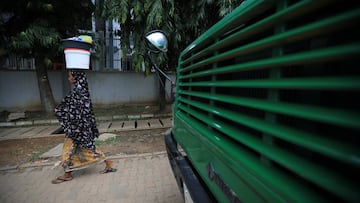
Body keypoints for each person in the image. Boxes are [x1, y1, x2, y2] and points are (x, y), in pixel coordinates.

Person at [52, 70, 116, 184]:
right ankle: (108, 163)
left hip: (77, 128)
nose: (68, 78)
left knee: (68, 150)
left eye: (70, 76)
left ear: (76, 77)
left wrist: (59, 110)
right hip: (81, 127)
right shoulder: (82, 89)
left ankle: (67, 174)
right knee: (87, 148)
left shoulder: (78, 91)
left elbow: (73, 110)